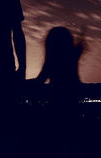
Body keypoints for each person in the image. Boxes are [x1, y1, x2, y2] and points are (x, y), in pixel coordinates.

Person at [33, 26, 86, 157]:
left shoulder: (52, 61)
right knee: (71, 144)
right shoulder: (72, 59)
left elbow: (40, 81)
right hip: (73, 105)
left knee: (55, 145)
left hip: (56, 106)